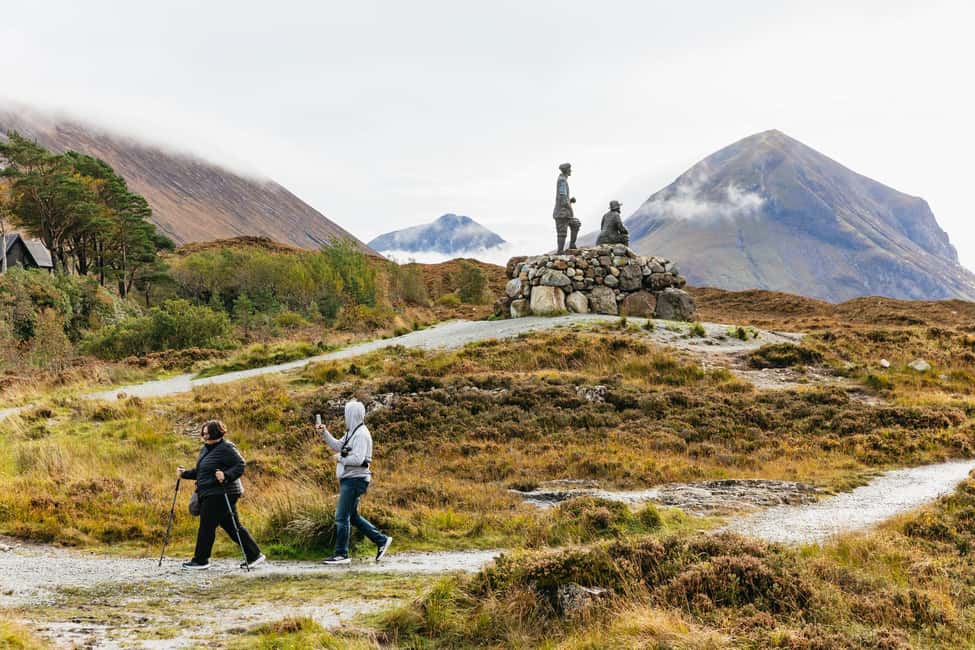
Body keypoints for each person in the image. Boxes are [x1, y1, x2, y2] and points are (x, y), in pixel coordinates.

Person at [177, 420, 265, 570]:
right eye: (203, 433)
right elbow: (201, 472)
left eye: (206, 433)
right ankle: (254, 555)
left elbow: (240, 465)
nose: (204, 436)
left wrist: (226, 475)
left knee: (206, 526)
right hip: (210, 493)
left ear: (216, 433)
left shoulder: (227, 448)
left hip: (222, 493)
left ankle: (200, 560)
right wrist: (184, 474)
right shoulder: (206, 449)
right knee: (232, 526)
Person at [315, 400, 392, 565]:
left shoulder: (362, 434)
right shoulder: (352, 432)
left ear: (352, 415)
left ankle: (341, 554)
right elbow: (338, 445)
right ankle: (381, 540)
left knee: (341, 516)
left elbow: (358, 459)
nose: (345, 417)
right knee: (353, 517)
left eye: (347, 414)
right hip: (351, 479)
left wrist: (340, 458)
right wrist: (324, 433)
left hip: (355, 480)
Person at [553, 162, 580, 252]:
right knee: (562, 233)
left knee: (575, 224)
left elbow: (564, 197)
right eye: (569, 169)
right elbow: (563, 198)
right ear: (566, 170)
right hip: (562, 212)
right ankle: (560, 251)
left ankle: (572, 245)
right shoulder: (562, 180)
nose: (570, 171)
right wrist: (570, 208)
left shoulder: (563, 180)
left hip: (564, 212)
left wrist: (570, 200)